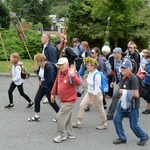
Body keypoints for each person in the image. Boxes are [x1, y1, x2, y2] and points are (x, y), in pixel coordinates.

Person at [113, 60, 149, 146]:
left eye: (125, 68)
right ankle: (122, 138)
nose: (122, 69)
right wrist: (120, 101)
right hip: (123, 103)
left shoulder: (133, 78)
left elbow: (136, 94)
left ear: (130, 69)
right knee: (116, 120)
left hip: (133, 105)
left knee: (133, 125)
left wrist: (123, 91)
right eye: (122, 67)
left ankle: (144, 136)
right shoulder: (122, 77)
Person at [51, 57, 81, 143]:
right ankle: (70, 134)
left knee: (60, 116)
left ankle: (62, 135)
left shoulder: (71, 72)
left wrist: (73, 75)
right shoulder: (60, 72)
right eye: (59, 65)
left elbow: (78, 83)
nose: (60, 67)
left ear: (67, 64)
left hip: (69, 100)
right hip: (62, 99)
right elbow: (56, 83)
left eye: (62, 65)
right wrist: (52, 93)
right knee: (67, 117)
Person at [72, 57, 107, 130]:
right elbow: (90, 83)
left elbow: (97, 88)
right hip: (89, 92)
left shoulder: (97, 75)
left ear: (93, 66)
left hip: (96, 94)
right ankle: (79, 123)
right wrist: (85, 84)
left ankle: (104, 123)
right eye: (87, 65)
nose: (86, 66)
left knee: (100, 109)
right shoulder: (90, 73)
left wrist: (92, 100)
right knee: (82, 105)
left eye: (88, 65)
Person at [28, 53, 59, 122]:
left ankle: (61, 116)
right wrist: (36, 71)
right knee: (37, 99)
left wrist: (42, 82)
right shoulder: (41, 66)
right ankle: (36, 116)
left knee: (52, 102)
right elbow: (41, 74)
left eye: (37, 61)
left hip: (49, 87)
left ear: (42, 61)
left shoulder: (49, 67)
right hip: (42, 87)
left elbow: (51, 80)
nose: (37, 63)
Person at [107, 47, 124, 120]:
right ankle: (126, 112)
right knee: (124, 97)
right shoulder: (116, 61)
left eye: (114, 53)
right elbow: (115, 72)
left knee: (115, 96)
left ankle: (110, 114)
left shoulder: (125, 62)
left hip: (126, 83)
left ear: (119, 54)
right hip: (120, 82)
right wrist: (112, 81)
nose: (113, 55)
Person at [41, 33, 58, 104]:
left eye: (43, 37)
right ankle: (48, 96)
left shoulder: (50, 48)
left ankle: (51, 96)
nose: (41, 38)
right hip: (44, 68)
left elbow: (53, 61)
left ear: (47, 39)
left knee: (49, 83)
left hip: (49, 68)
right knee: (43, 83)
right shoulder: (44, 47)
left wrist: (50, 69)